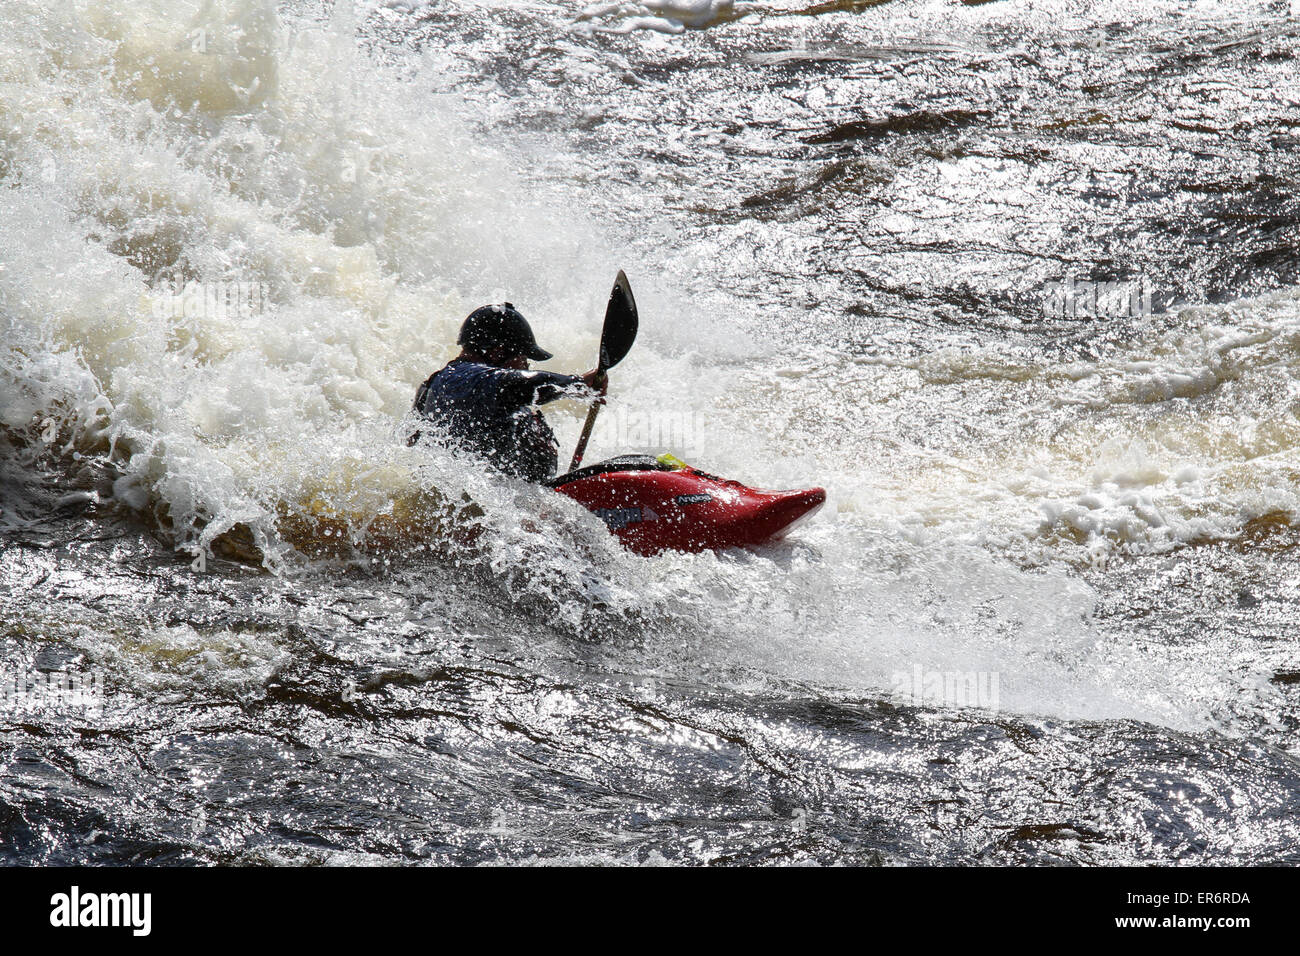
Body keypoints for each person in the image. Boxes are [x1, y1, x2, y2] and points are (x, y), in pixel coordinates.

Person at [409, 302, 605, 483]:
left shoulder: (450, 383)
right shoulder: (462, 378)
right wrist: (578, 384)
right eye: (523, 359)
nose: (526, 367)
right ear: (497, 352)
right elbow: (521, 385)